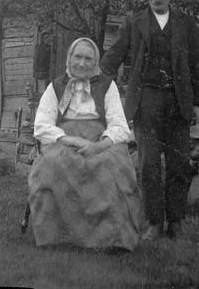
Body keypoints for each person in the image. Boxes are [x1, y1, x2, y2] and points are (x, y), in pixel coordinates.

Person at [100, 0, 199, 241]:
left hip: (178, 101)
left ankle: (176, 221)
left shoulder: (186, 23)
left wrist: (197, 101)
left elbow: (197, 63)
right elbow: (114, 56)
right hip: (146, 100)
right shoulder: (133, 22)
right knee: (148, 165)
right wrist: (97, 83)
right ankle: (155, 222)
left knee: (179, 163)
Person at [28, 37, 141, 250]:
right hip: (64, 139)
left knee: (113, 165)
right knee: (51, 164)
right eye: (77, 57)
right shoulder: (56, 87)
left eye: (88, 59)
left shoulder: (107, 85)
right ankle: (56, 236)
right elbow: (42, 125)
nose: (82, 63)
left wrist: (99, 146)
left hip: (100, 140)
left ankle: (112, 239)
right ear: (69, 59)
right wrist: (70, 140)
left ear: (96, 62)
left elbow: (119, 125)